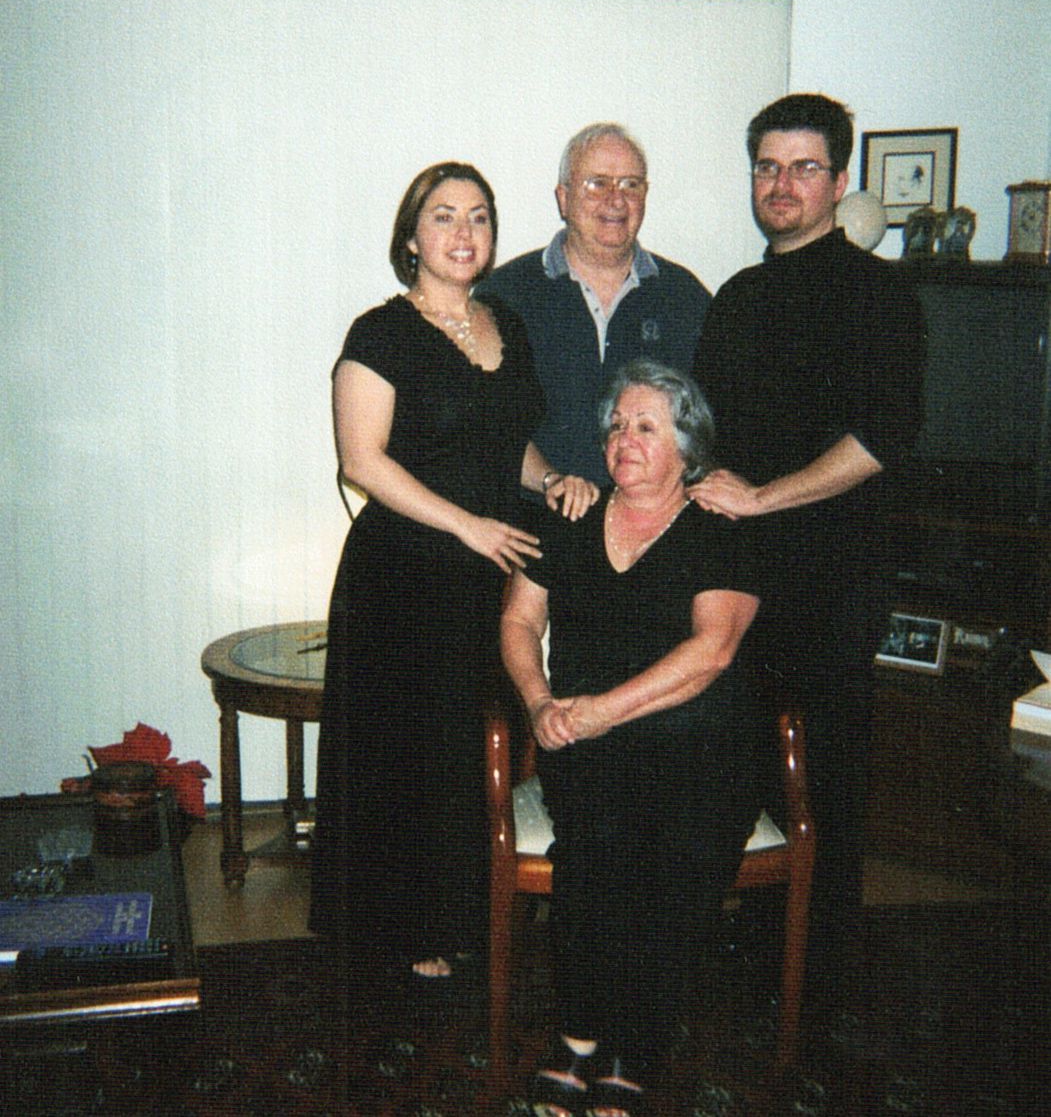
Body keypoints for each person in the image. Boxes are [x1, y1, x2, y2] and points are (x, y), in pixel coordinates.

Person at [309, 162, 597, 979]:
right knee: (410, 754)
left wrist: (550, 478)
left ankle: (470, 911)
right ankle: (406, 929)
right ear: (411, 237)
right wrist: (465, 524)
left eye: (478, 217)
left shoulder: (504, 321)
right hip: (402, 574)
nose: (463, 233)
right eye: (443, 216)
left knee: (473, 747)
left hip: (487, 569)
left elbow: (508, 442)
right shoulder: (380, 333)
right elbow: (362, 459)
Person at [690, 93, 926, 996]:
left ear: (838, 181)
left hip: (832, 577)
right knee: (741, 766)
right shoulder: (737, 297)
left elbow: (878, 439)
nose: (781, 185)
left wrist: (761, 498)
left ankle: (818, 976)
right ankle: (752, 947)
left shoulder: (879, 296)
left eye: (802, 167)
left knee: (822, 784)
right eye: (767, 167)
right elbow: (705, 431)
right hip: (738, 579)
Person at [501, 360, 762, 1114]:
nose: (624, 439)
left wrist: (600, 711)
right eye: (616, 425)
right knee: (594, 837)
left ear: (687, 445)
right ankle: (582, 1033)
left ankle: (631, 1040)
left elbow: (711, 651)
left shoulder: (722, 527)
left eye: (646, 426)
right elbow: (518, 620)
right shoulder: (568, 516)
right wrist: (539, 701)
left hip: (698, 742)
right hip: (585, 740)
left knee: (669, 843)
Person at [477, 123, 711, 486]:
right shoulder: (505, 295)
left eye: (630, 184)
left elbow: (708, 426)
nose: (616, 200)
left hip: (650, 514)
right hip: (535, 509)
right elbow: (484, 424)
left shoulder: (685, 297)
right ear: (563, 198)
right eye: (597, 183)